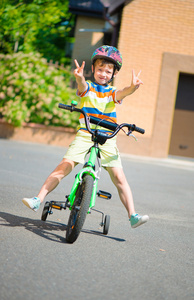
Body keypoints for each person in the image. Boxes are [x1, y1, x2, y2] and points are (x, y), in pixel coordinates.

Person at [22, 45, 149, 228]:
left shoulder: (112, 92)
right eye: (100, 70)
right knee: (64, 166)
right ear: (93, 70)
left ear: (113, 74)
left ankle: (133, 215)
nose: (103, 74)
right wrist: (79, 78)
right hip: (85, 133)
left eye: (108, 71)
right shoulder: (87, 87)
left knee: (119, 177)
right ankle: (38, 199)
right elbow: (82, 87)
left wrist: (133, 88)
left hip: (108, 136)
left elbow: (124, 93)